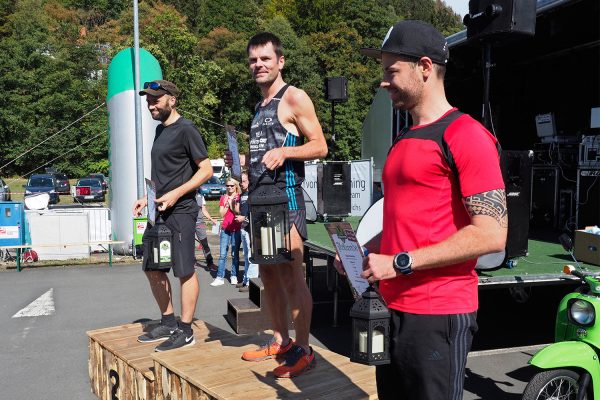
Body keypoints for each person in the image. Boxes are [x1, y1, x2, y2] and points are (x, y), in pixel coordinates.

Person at [335, 20, 508, 399]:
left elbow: (492, 235)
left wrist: (397, 262)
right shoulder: (404, 140)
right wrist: (366, 253)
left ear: (425, 68)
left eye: (391, 70)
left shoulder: (466, 135)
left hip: (438, 312)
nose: (384, 81)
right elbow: (404, 220)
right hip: (391, 307)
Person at [225, 32, 328, 378]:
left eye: (265, 59)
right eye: (253, 60)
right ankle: (281, 340)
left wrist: (286, 151)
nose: (259, 65)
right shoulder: (259, 107)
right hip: (260, 201)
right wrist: (243, 166)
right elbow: (265, 153)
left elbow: (320, 146)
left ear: (280, 62)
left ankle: (304, 349)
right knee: (268, 273)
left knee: (291, 274)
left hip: (288, 199)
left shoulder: (294, 97)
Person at [133, 79, 213, 352]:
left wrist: (177, 194)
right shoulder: (159, 131)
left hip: (182, 211)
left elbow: (206, 170)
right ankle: (168, 321)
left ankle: (186, 330)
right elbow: (164, 174)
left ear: (172, 100)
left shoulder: (187, 129)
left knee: (184, 270)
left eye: (155, 99)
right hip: (159, 211)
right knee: (152, 267)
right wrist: (148, 198)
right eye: (148, 99)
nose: (150, 104)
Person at [210, 178, 242, 286]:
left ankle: (234, 275)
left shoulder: (239, 197)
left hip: (236, 228)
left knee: (234, 254)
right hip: (225, 228)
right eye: (228, 186)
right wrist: (227, 204)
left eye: (232, 186)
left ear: (236, 186)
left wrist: (231, 204)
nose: (229, 187)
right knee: (222, 254)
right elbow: (221, 214)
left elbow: (238, 211)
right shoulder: (223, 197)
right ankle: (219, 277)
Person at [236, 171, 258, 292]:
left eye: (244, 181)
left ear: (249, 181)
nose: (242, 183)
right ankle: (245, 280)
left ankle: (251, 283)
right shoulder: (243, 194)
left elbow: (255, 214)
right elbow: (240, 211)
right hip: (243, 229)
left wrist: (243, 218)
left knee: (251, 256)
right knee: (245, 256)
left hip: (251, 230)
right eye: (241, 181)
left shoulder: (253, 194)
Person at [194, 191, 218, 271]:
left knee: (205, 244)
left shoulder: (200, 196)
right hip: (188, 223)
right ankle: (192, 263)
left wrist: (211, 219)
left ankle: (210, 264)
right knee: (189, 244)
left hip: (199, 223)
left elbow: (204, 210)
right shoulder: (186, 195)